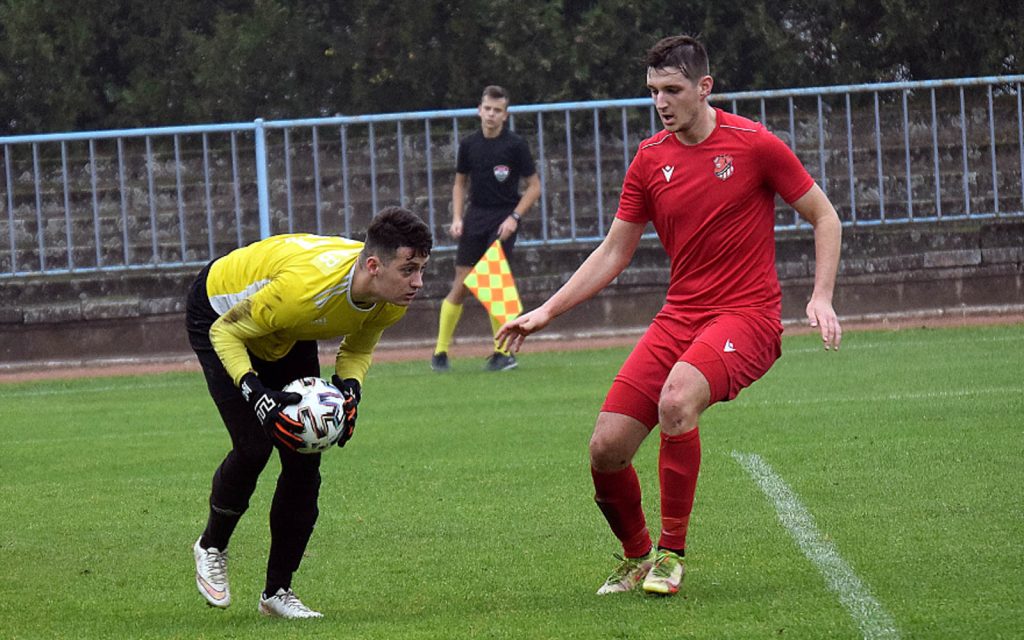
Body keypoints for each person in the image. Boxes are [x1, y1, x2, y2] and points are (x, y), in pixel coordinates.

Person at [497, 35, 842, 597]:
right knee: (606, 448)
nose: (661, 101)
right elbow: (613, 251)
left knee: (678, 399)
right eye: (654, 90)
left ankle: (671, 553)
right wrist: (547, 311)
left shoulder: (755, 145)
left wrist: (821, 295)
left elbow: (824, 216)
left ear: (705, 87)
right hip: (679, 317)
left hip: (747, 316)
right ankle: (635, 557)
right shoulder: (650, 159)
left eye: (673, 90)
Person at [186, 206, 432, 618]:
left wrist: (350, 390)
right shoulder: (303, 291)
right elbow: (225, 332)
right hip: (219, 312)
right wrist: (256, 394)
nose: (418, 282)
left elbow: (357, 347)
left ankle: (277, 593)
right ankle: (211, 546)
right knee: (254, 446)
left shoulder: (389, 297)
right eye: (409, 269)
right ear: (374, 266)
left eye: (422, 268)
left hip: (287, 327)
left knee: (305, 455)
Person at [431, 85, 541, 373]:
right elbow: (459, 183)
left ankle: (502, 353)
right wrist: (457, 217)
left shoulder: (515, 145)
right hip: (475, 217)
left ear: (505, 115)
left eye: (497, 110)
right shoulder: (469, 145)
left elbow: (534, 186)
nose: (491, 115)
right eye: (487, 109)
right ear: (480, 110)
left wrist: (514, 217)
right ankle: (440, 352)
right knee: (463, 283)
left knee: (495, 282)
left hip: (503, 218)